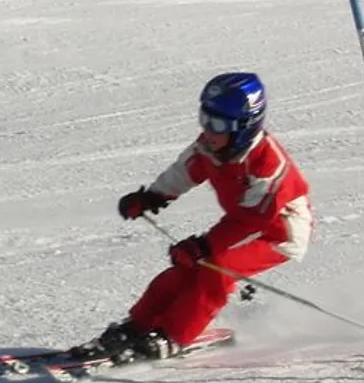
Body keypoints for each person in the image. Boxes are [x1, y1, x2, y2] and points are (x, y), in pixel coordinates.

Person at [84, 71, 311, 362]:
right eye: (204, 118)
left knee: (215, 267)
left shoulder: (268, 166)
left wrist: (204, 246)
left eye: (217, 124)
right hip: (242, 225)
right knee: (185, 269)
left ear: (244, 127)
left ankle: (174, 335)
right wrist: (153, 196)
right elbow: (185, 171)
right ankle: (138, 324)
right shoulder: (211, 145)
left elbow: (253, 219)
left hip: (279, 233)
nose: (208, 130)